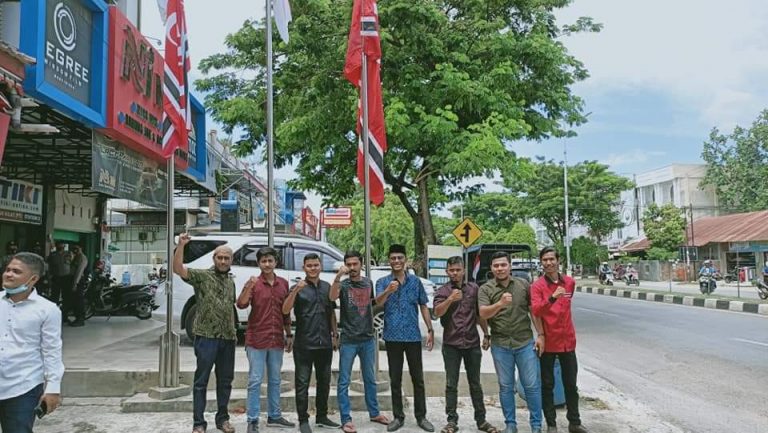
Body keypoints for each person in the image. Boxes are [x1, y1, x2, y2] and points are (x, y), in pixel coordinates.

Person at [173, 233, 237, 433]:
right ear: (214, 259)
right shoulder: (202, 276)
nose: (223, 261)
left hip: (227, 338)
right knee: (201, 382)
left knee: (225, 382)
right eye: (220, 257)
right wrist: (181, 246)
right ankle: (198, 423)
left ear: (231, 261)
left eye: (227, 258)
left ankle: (222, 419)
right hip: (206, 337)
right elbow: (178, 269)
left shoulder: (231, 282)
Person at [478, 251, 545, 433]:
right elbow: (482, 313)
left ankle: (536, 425)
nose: (500, 268)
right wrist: (499, 304)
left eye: (503, 265)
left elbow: (532, 311)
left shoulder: (523, 285)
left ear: (509, 266)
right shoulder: (486, 289)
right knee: (506, 386)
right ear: (491, 268)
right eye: (496, 266)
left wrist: (540, 335)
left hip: (524, 342)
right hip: (500, 345)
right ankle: (511, 424)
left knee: (531, 385)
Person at [433, 256, 499, 433]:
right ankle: (452, 421)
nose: (454, 273)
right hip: (451, 345)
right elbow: (436, 313)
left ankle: (481, 420)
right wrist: (450, 300)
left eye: (457, 269)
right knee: (451, 384)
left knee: (475, 383)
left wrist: (486, 334)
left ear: (463, 270)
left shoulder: (474, 289)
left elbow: (479, 315)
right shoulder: (442, 291)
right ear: (447, 271)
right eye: (451, 270)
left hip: (472, 343)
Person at [0, 252, 64, 433]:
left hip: (23, 386)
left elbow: (52, 350)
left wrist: (53, 388)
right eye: (7, 270)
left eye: (16, 271)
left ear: (33, 278)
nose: (9, 274)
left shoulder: (47, 310)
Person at [375, 244, 435, 433]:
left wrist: (430, 329)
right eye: (393, 258)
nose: (397, 261)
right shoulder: (383, 281)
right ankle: (398, 416)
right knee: (395, 378)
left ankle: (421, 416)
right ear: (389, 260)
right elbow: (377, 303)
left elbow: (424, 305)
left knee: (418, 378)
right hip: (392, 337)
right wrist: (388, 291)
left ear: (405, 259)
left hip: (412, 337)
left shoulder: (415, 282)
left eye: (400, 258)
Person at [330, 250, 390, 433]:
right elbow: (332, 297)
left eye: (356, 264)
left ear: (361, 265)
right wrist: (339, 276)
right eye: (349, 264)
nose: (352, 268)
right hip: (348, 339)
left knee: (370, 379)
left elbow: (372, 304)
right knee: (344, 381)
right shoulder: (344, 284)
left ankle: (374, 412)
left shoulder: (368, 283)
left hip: (367, 339)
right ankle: (346, 419)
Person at [530, 248, 589, 433]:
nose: (548, 263)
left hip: (568, 342)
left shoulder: (570, 283)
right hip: (548, 343)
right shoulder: (537, 286)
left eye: (551, 259)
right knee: (547, 385)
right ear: (541, 262)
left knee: (571, 384)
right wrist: (552, 298)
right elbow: (536, 310)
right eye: (545, 260)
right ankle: (552, 424)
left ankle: (574, 422)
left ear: (558, 260)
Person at [237, 247, 295, 433]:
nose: (267, 264)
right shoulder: (254, 283)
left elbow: (285, 312)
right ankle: (252, 419)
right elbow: (241, 304)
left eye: (270, 261)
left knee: (275, 380)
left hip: (276, 338)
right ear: (259, 263)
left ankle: (274, 415)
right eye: (264, 261)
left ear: (275, 262)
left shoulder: (283, 284)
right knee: (255, 380)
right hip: (256, 339)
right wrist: (248, 286)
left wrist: (289, 334)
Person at [281, 253, 341, 433]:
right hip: (304, 343)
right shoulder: (297, 287)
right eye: (309, 265)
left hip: (324, 343)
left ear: (320, 266)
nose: (313, 268)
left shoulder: (326, 287)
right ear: (304, 268)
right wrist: (295, 291)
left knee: (324, 382)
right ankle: (303, 419)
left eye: (316, 265)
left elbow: (331, 312)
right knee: (302, 383)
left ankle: (322, 416)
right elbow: (285, 309)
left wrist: (335, 334)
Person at [63, 245, 88, 327]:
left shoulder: (82, 258)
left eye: (77, 248)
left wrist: (75, 283)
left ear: (81, 248)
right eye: (74, 248)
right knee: (71, 299)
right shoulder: (74, 257)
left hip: (78, 280)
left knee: (78, 300)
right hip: (71, 279)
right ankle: (67, 317)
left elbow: (79, 272)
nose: (75, 250)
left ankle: (80, 319)